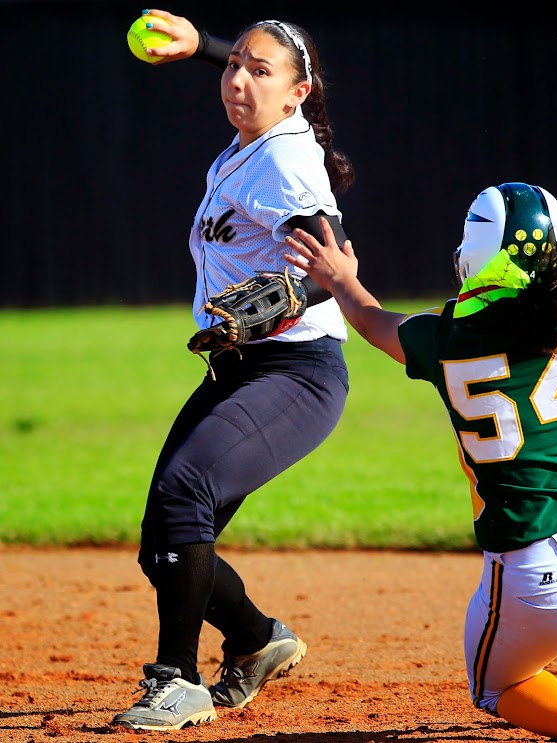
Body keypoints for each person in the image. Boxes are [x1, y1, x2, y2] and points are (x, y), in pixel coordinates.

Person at [283, 48, 557, 741]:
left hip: (538, 569)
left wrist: (342, 278)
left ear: (471, 256)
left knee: (497, 684)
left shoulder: (445, 335)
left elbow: (373, 323)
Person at [112, 9, 354, 732]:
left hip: (296, 369)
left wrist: (284, 299)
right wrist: (201, 47)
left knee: (184, 493)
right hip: (241, 368)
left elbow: (339, 266)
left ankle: (177, 680)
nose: (239, 79)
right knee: (165, 542)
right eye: (232, 67)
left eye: (259, 71)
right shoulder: (251, 145)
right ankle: (255, 638)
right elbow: (255, 62)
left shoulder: (282, 157)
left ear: (298, 94)